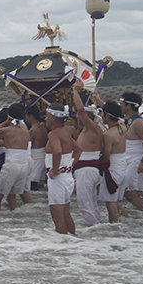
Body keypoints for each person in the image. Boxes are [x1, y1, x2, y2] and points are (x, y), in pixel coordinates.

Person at [69, 85, 109, 227]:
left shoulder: (91, 128)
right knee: (90, 203)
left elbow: (80, 109)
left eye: (79, 115)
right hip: (87, 170)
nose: (77, 117)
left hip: (87, 170)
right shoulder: (89, 129)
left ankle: (93, 230)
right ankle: (96, 227)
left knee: (85, 204)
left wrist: (75, 91)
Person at [44, 104, 80, 235]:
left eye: (47, 116)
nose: (45, 119)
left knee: (57, 218)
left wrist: (54, 170)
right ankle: (73, 240)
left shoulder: (54, 133)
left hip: (58, 179)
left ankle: (64, 246)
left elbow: (57, 152)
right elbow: (78, 150)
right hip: (67, 177)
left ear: (53, 118)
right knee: (66, 214)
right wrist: (69, 165)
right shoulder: (65, 131)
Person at [0, 104, 33, 210]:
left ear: (9, 117)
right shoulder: (25, 130)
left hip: (12, 165)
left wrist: (4, 123)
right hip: (24, 165)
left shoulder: (5, 131)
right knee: (12, 197)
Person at [119, 93, 143, 211]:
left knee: (132, 193)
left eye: (122, 104)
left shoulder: (138, 122)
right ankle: (140, 214)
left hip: (137, 161)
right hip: (128, 159)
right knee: (126, 192)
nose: (120, 106)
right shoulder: (129, 120)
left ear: (128, 106)